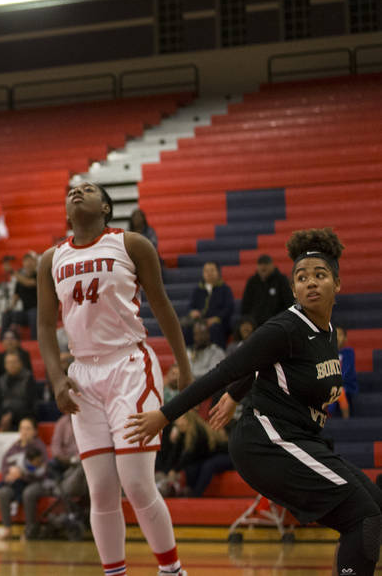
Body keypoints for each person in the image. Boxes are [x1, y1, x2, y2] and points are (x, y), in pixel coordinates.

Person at [126, 228, 382, 576]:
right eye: (302, 278)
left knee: (374, 508)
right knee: (363, 516)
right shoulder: (286, 327)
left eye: (320, 276)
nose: (310, 283)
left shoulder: (325, 333)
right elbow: (226, 369)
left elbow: (265, 364)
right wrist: (165, 415)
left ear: (336, 284)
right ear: (293, 289)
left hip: (299, 437)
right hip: (266, 440)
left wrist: (234, 396)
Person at [37, 182, 193, 576]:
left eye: (88, 189)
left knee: (137, 484)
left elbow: (162, 305)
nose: (77, 191)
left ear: (105, 206)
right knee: (101, 490)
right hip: (82, 376)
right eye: (71, 189)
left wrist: (185, 366)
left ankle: (172, 570)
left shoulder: (132, 244)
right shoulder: (50, 258)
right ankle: (114, 572)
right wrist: (57, 378)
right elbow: (43, 325)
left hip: (129, 365)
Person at [0, 417, 49, 541]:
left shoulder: (39, 447)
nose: (24, 431)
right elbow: (4, 465)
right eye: (22, 428)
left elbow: (43, 470)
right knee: (4, 492)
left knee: (28, 493)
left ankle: (30, 529)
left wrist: (22, 474)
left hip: (36, 482)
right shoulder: (14, 447)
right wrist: (9, 474)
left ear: (34, 431)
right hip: (17, 483)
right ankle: (7, 528)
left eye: (28, 428)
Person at [154, 411, 231, 498]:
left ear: (188, 420)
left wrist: (175, 470)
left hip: (228, 456)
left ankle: (196, 495)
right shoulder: (183, 433)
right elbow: (175, 454)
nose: (177, 423)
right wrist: (169, 470)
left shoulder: (198, 431)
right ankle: (186, 490)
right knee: (193, 468)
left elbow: (191, 455)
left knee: (208, 465)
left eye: (181, 419)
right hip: (208, 457)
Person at [183, 261, 234, 348]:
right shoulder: (197, 290)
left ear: (218, 272)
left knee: (215, 329)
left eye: (212, 270)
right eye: (206, 271)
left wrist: (217, 318)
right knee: (187, 328)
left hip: (218, 322)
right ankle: (190, 355)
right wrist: (192, 312)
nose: (209, 273)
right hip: (199, 321)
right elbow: (190, 306)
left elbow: (229, 308)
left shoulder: (225, 289)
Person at [240, 254, 293, 327]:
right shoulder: (252, 282)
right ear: (257, 267)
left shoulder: (281, 280)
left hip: (277, 323)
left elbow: (289, 302)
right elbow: (246, 305)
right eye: (260, 264)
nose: (263, 267)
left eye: (266, 264)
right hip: (255, 324)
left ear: (272, 266)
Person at [0, 351, 39, 431]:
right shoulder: (1, 380)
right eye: (8, 362)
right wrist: (3, 415)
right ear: (5, 365)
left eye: (14, 362)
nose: (11, 365)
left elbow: (31, 404)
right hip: (4, 415)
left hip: (23, 414)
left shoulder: (28, 378)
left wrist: (12, 415)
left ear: (20, 363)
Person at [0, 252, 37, 333]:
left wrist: (11, 272)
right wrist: (10, 308)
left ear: (36, 262)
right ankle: (3, 341)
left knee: (33, 314)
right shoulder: (19, 280)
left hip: (38, 311)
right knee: (6, 315)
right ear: (23, 263)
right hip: (25, 312)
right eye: (26, 260)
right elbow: (16, 296)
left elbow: (29, 283)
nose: (28, 263)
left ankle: (35, 342)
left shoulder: (39, 275)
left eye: (31, 260)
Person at [327, 327, 357, 419]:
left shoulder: (349, 352)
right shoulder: (328, 352)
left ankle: (346, 421)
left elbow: (347, 370)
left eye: (340, 335)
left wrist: (335, 382)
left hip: (346, 384)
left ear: (345, 338)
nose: (337, 337)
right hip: (329, 384)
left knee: (340, 392)